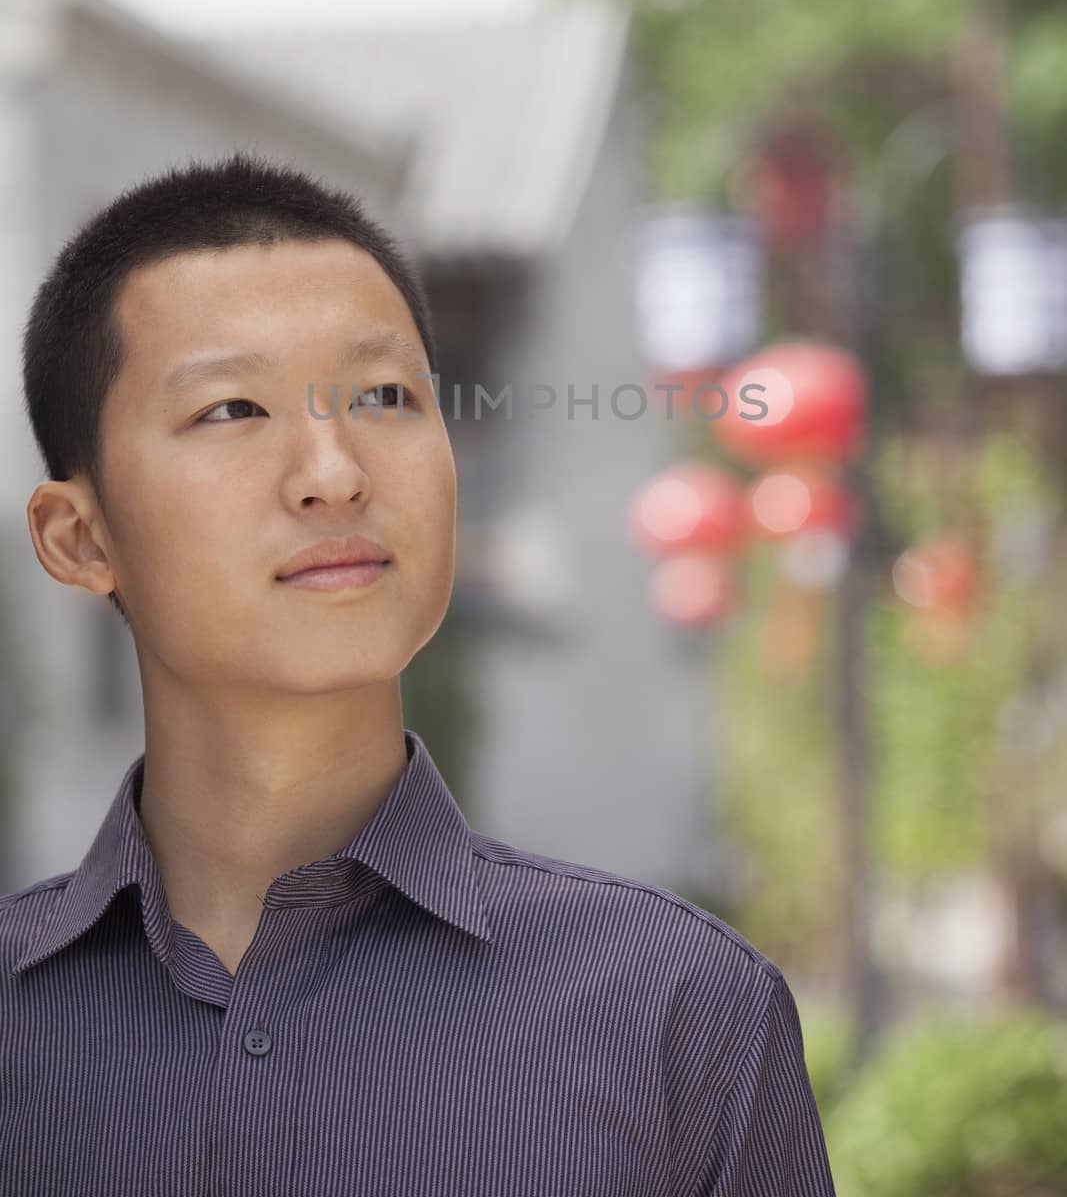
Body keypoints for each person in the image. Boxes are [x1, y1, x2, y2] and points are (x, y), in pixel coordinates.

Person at [0, 149, 836, 1194]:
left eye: (386, 395)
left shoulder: (675, 1009)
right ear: (78, 538)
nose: (334, 474)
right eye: (231, 410)